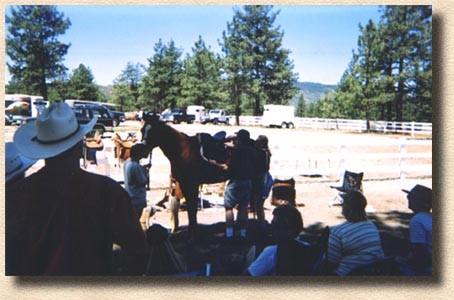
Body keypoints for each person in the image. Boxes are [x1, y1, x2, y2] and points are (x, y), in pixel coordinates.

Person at [6, 102, 146, 275]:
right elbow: (138, 252)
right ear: (80, 148)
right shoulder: (108, 191)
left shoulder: (15, 194)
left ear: (42, 149)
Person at [324, 190, 385, 276]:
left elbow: (331, 262)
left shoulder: (338, 232)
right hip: (374, 271)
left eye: (343, 204)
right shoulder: (371, 226)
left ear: (347, 208)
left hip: (349, 274)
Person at [211, 129, 255, 239]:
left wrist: (216, 164)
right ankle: (242, 233)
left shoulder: (235, 151)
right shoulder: (252, 151)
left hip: (235, 181)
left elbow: (228, 167)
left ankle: (229, 233)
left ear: (239, 139)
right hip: (248, 181)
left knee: (229, 208)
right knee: (243, 207)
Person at [247, 204, 306, 276]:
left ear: (289, 230)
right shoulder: (308, 249)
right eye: (272, 224)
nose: (271, 229)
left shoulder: (272, 252)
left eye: (275, 226)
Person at [399, 184, 432, 275]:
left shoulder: (417, 220)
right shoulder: (430, 217)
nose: (408, 198)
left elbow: (420, 250)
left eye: (410, 197)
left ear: (417, 201)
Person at [251, 135, 272, 233]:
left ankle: (261, 226)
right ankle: (260, 225)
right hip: (264, 178)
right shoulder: (266, 152)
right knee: (258, 205)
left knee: (259, 205)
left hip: (261, 179)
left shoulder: (260, 152)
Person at [123, 143, 150, 216]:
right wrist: (145, 171)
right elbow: (143, 182)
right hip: (137, 199)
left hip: (130, 196)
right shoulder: (135, 166)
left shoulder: (127, 162)